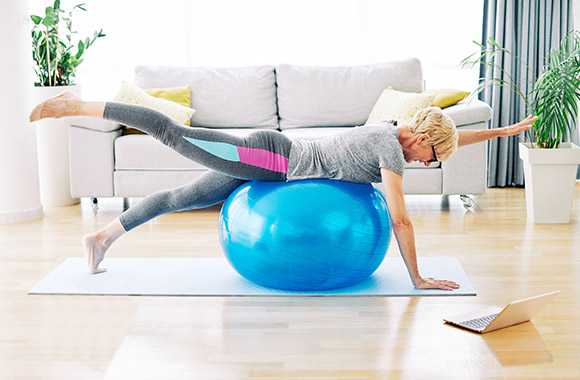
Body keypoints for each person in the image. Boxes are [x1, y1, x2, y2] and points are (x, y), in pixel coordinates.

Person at [29, 92, 537, 290]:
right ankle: (77, 105)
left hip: (271, 167)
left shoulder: (398, 132)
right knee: (171, 133)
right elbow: (401, 220)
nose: (427, 165)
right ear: (420, 140)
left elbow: (452, 133)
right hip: (267, 157)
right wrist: (418, 277)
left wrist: (503, 133)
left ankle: (101, 238)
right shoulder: (389, 146)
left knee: (185, 197)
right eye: (431, 157)